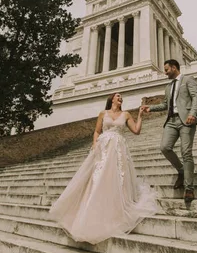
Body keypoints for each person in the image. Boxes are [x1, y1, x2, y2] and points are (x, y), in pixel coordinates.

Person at [49, 93, 158, 244]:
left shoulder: (126, 114)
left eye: (121, 97)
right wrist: (95, 144)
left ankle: (115, 212)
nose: (120, 98)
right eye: (118, 96)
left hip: (118, 149)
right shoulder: (103, 113)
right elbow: (97, 131)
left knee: (116, 179)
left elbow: (136, 130)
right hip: (103, 147)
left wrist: (140, 115)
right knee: (98, 178)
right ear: (111, 99)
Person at [141, 59, 197, 206]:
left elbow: (196, 97)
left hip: (186, 119)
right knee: (164, 147)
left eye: (167, 70)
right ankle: (181, 171)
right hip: (171, 121)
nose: (165, 73)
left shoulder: (188, 79)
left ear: (174, 68)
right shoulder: (168, 87)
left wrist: (193, 113)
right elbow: (165, 104)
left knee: (186, 152)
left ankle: (189, 188)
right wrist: (151, 108)